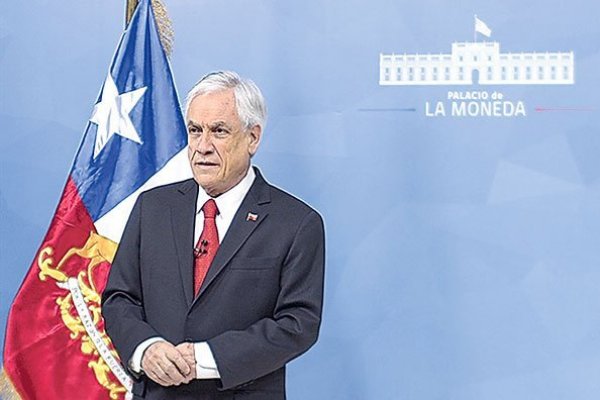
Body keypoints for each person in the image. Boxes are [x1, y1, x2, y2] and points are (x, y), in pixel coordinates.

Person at [102, 71, 325, 400]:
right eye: (195, 131)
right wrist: (145, 349)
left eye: (219, 131)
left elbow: (298, 323)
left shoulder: (295, 222)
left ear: (253, 138)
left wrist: (205, 359)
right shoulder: (153, 207)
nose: (203, 147)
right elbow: (119, 298)